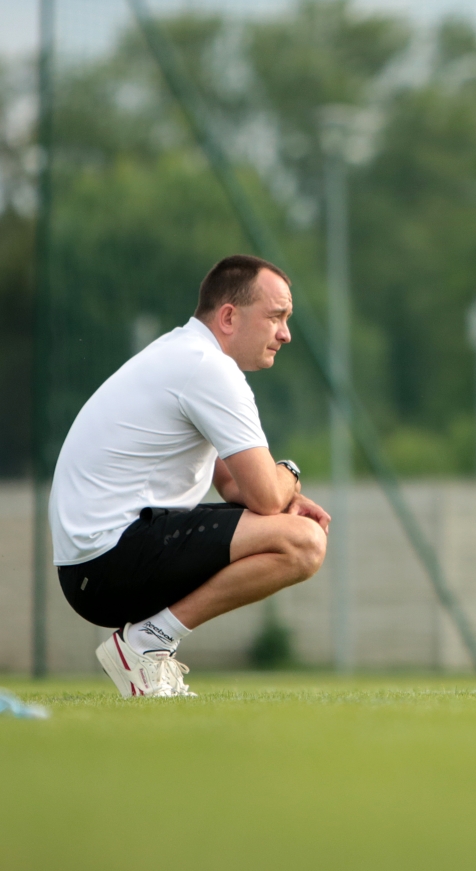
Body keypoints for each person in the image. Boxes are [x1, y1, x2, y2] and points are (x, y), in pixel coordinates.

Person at [50, 254, 330, 697]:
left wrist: (280, 497)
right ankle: (147, 644)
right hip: (108, 561)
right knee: (305, 542)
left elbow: (235, 484)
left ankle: (147, 644)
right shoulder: (207, 367)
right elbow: (265, 496)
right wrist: (289, 477)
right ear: (229, 316)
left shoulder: (183, 354)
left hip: (90, 567)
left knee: (292, 532)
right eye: (276, 316)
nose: (286, 334)